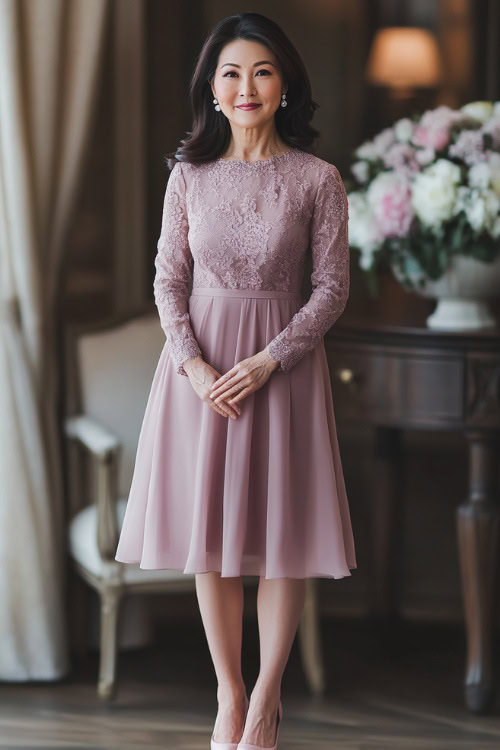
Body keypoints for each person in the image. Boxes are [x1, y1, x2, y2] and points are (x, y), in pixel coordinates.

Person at [115, 11, 357, 750]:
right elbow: (167, 280)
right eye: (230, 73)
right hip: (202, 379)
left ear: (284, 86)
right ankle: (228, 696)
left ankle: (266, 702)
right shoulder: (187, 176)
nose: (245, 85)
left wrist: (267, 360)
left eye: (261, 71)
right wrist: (195, 368)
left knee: (283, 537)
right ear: (212, 91)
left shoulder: (318, 179)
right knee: (211, 540)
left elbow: (333, 289)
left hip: (280, 370)